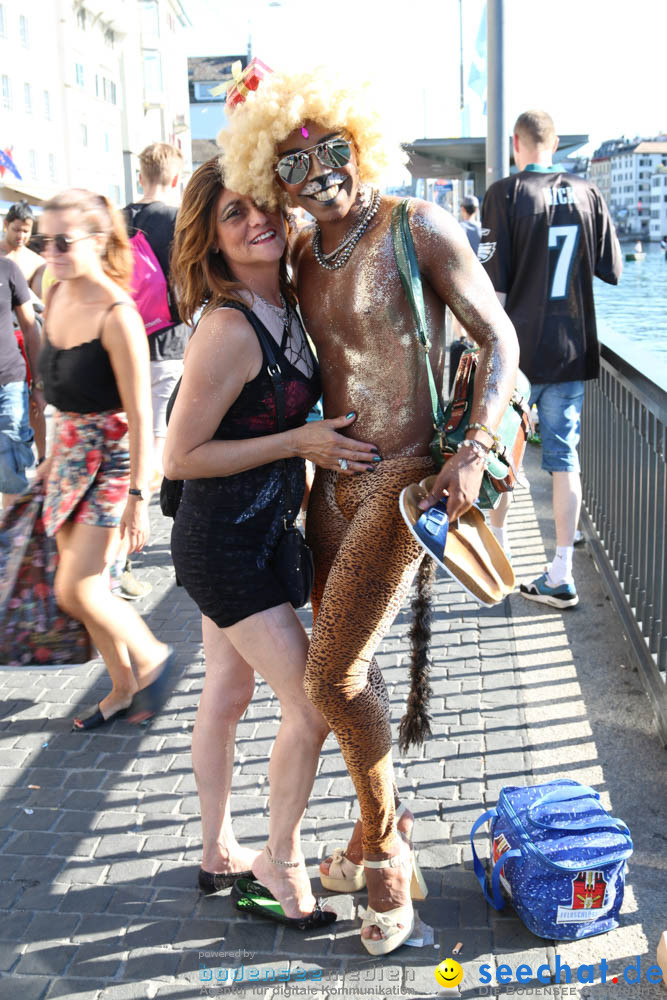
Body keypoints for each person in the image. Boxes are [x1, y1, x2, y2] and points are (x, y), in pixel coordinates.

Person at [219, 71, 518, 954]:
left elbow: (498, 335)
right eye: (293, 161)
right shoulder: (304, 254)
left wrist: (469, 452)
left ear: (362, 142)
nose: (318, 173)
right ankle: (369, 829)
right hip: (333, 490)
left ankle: (385, 854)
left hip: (409, 487)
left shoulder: (416, 227)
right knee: (358, 666)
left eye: (332, 149)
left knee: (330, 677)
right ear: (275, 176)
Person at [163, 158, 379, 926]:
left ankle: (215, 848)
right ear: (212, 241)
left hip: (262, 536)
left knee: (225, 693)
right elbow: (178, 458)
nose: (256, 220)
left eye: (262, 205)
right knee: (314, 708)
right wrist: (299, 443)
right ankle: (275, 864)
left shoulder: (286, 297)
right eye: (232, 215)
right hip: (224, 546)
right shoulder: (228, 327)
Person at [36, 189, 175, 730]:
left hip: (112, 460)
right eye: (45, 240)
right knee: (78, 588)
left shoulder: (119, 314)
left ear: (97, 241)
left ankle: (153, 656)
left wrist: (139, 499)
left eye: (63, 241)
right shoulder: (55, 292)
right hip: (68, 454)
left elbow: (142, 416)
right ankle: (121, 688)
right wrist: (50, 457)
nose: (51, 251)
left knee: (79, 586)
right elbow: (57, 388)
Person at [481, 110, 622, 608]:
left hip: (517, 355)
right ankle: (562, 571)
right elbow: (613, 270)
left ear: (516, 142)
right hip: (570, 350)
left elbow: (493, 290)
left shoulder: (504, 195)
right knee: (565, 459)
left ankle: (495, 560)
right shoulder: (588, 192)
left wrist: (484, 357)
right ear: (555, 143)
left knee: (499, 458)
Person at [0, 201, 48, 463]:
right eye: (16, 229)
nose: (21, 236)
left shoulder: (36, 261)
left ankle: (41, 457)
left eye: (26, 231)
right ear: (6, 225)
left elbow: (43, 305)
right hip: (6, 339)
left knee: (35, 403)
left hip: (30, 336)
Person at [0, 255, 44, 506]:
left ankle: (10, 538)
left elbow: (30, 328)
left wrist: (38, 383)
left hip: (9, 381)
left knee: (10, 463)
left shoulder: (7, 269)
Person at [449, 194, 482, 390]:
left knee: (458, 314)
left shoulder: (458, 228)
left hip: (462, 278)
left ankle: (461, 342)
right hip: (480, 279)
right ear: (476, 210)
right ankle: (472, 344)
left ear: (462, 209)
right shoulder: (481, 229)